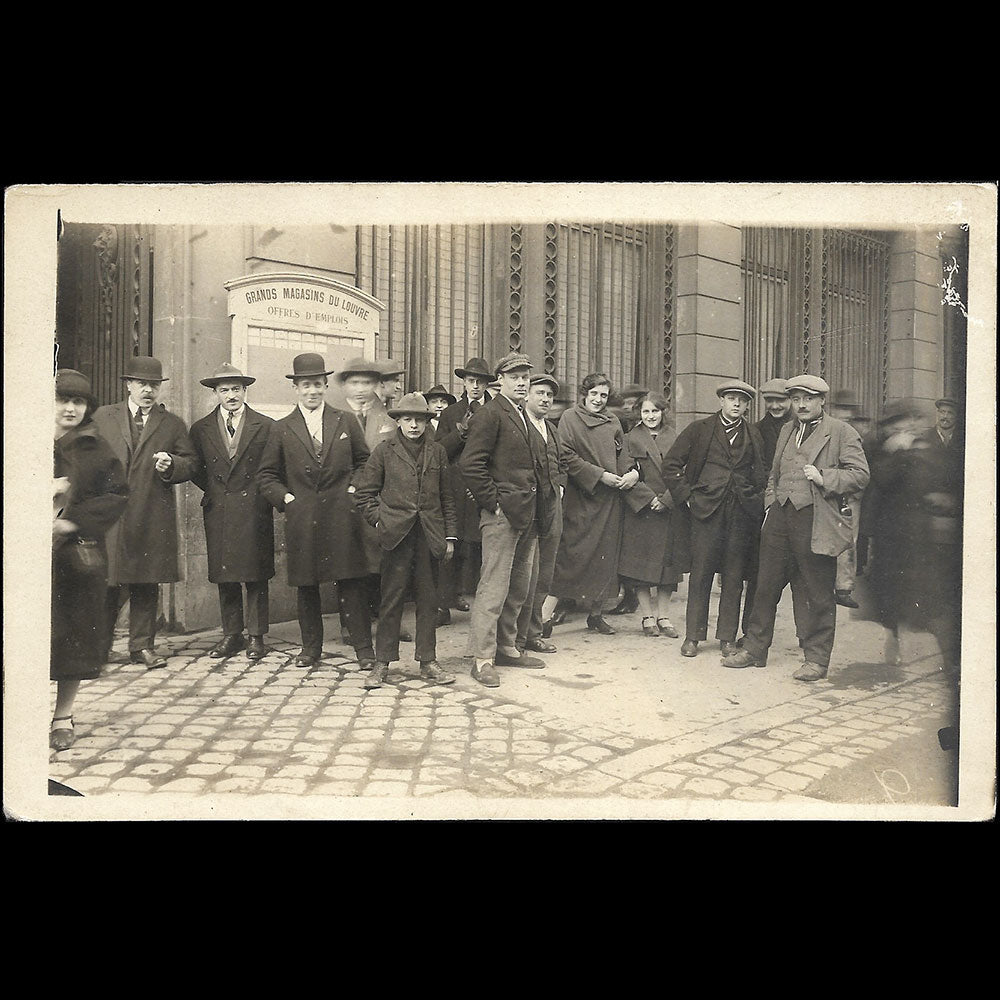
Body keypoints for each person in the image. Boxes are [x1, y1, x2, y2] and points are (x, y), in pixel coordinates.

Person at [725, 374, 870, 680]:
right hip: (780, 516)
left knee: (817, 591)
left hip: (816, 518)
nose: (801, 405)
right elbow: (774, 473)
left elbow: (860, 475)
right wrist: (770, 504)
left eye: (808, 399)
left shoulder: (841, 432)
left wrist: (824, 476)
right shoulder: (787, 430)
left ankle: (816, 659)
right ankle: (754, 649)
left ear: (822, 401)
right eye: (796, 399)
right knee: (765, 586)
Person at [257, 353, 375, 670]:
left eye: (318, 385)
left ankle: (365, 650)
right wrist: (287, 500)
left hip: (342, 515)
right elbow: (266, 475)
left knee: (351, 583)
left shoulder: (345, 420)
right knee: (307, 585)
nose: (312, 391)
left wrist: (354, 490)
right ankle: (311, 649)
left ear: (325, 387)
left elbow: (365, 462)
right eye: (306, 385)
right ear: (296, 388)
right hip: (303, 518)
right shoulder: (282, 428)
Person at [92, 355, 198, 669]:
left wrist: (172, 465)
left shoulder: (172, 424)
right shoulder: (103, 417)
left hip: (152, 513)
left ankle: (142, 647)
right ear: (128, 385)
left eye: (153, 385)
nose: (148, 391)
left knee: (146, 582)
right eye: (141, 384)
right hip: (112, 515)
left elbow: (191, 463)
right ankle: (98, 648)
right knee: (108, 583)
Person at [354, 392, 458, 689]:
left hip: (429, 535)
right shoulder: (384, 451)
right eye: (408, 419)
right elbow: (365, 494)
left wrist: (449, 537)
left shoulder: (437, 452)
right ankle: (382, 663)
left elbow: (447, 498)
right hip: (396, 537)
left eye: (420, 420)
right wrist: (381, 520)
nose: (414, 425)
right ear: (398, 421)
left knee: (429, 600)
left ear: (427, 422)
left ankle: (428, 661)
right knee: (391, 600)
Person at [50, 370, 129, 750]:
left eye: (78, 402)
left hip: (74, 558)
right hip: (24, 556)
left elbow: (116, 495)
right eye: (62, 400)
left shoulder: (95, 447)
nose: (70, 408)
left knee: (72, 638)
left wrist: (72, 521)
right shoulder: (22, 437)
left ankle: (62, 716)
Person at [459, 352, 546, 686]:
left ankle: (507, 647)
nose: (522, 383)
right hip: (502, 516)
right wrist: (493, 503)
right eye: (515, 377)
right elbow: (471, 464)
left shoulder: (521, 413)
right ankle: (482, 658)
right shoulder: (490, 413)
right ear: (501, 381)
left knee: (519, 586)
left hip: (527, 513)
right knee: (493, 588)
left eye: (525, 377)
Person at [662, 379, 767, 658]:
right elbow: (671, 464)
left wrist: (755, 500)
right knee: (701, 574)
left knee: (734, 576)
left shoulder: (753, 434)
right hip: (705, 512)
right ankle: (693, 637)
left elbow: (763, 472)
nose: (736, 404)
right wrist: (686, 496)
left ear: (747, 405)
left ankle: (727, 638)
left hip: (741, 514)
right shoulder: (700, 429)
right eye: (731, 398)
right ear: (721, 401)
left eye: (742, 400)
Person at [866, 398, 962, 671]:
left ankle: (952, 660)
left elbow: (943, 479)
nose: (907, 427)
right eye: (898, 423)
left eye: (910, 421)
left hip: (922, 535)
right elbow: (879, 480)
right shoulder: (883, 448)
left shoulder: (928, 446)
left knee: (931, 597)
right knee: (891, 595)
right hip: (891, 536)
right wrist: (897, 452)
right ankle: (893, 638)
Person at [188, 363, 275, 660]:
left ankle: (256, 636)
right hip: (220, 508)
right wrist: (218, 490)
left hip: (254, 509)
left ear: (245, 390)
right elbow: (197, 470)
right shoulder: (201, 429)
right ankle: (232, 634)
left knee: (256, 575)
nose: (231, 395)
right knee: (225, 574)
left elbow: (271, 468)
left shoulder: (265, 425)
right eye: (224, 390)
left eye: (236, 389)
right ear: (215, 393)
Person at [550, 373, 639, 636]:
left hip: (610, 499)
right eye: (594, 394)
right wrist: (599, 475)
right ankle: (547, 614)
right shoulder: (570, 418)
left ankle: (596, 615)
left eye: (603, 395)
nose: (599, 400)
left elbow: (623, 454)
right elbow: (565, 455)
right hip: (581, 496)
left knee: (604, 557)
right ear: (584, 394)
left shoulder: (613, 421)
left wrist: (630, 473)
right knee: (571, 555)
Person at [335, 357, 403, 632]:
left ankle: (380, 619)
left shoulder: (387, 417)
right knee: (346, 562)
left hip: (378, 498)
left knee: (379, 560)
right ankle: (350, 624)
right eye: (355, 383)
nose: (361, 389)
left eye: (366, 383)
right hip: (343, 497)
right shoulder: (334, 415)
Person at [618, 394, 683, 638]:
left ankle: (664, 616)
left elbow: (684, 471)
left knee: (667, 568)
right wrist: (648, 499)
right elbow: (625, 472)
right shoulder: (630, 438)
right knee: (641, 567)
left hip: (668, 508)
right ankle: (647, 616)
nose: (651, 416)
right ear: (639, 414)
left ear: (663, 412)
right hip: (642, 511)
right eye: (646, 412)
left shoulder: (674, 437)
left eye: (655, 411)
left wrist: (667, 499)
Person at [435, 356, 495, 623]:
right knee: (453, 545)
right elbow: (439, 451)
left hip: (485, 489)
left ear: (487, 384)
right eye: (471, 381)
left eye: (480, 381)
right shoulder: (451, 413)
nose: (476, 386)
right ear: (464, 382)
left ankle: (484, 608)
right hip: (457, 490)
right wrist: (460, 433)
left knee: (484, 548)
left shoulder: (496, 410)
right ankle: (444, 603)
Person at [514, 373, 567, 654]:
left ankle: (533, 633)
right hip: (528, 508)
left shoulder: (552, 429)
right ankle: (516, 637)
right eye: (540, 393)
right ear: (526, 395)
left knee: (544, 573)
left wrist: (560, 485)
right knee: (525, 574)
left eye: (549, 395)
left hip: (551, 508)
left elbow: (563, 462)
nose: (545, 399)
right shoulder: (519, 425)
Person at [828, 388, 870, 609]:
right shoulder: (825, 430)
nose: (844, 414)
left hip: (850, 495)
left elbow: (862, 469)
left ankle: (843, 588)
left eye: (848, 410)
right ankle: (825, 585)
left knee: (848, 543)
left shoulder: (854, 435)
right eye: (840, 409)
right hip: (826, 492)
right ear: (833, 410)